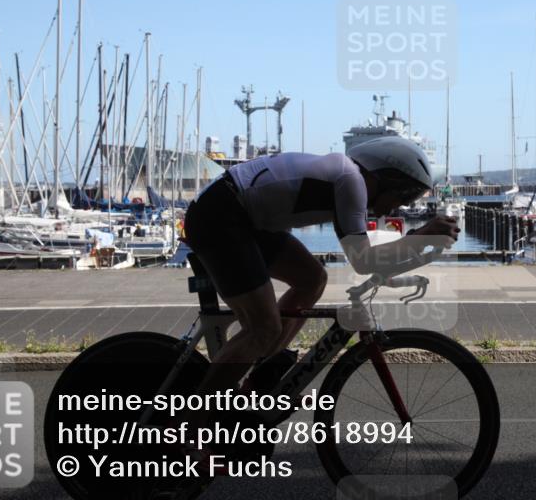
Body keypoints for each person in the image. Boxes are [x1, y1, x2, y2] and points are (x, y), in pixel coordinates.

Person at [183, 136, 459, 396]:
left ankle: (259, 380)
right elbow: (363, 261)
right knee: (263, 328)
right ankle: (189, 431)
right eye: (401, 198)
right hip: (220, 216)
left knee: (312, 279)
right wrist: (421, 236)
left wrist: (420, 246)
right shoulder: (350, 180)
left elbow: (369, 259)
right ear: (387, 179)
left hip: (244, 217)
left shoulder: (349, 178)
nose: (394, 209)